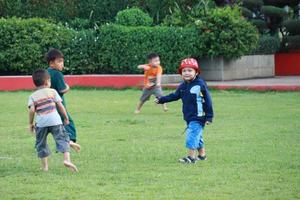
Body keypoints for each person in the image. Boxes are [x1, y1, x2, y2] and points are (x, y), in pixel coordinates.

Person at [155, 58, 214, 164]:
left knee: (192, 135)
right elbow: (175, 96)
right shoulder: (183, 85)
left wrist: (209, 116)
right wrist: (161, 100)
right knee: (198, 136)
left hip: (199, 116)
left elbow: (208, 100)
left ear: (196, 72)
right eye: (184, 71)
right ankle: (202, 155)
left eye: (190, 70)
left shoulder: (200, 84)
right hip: (189, 116)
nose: (186, 73)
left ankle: (191, 158)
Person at [28, 69, 78, 172]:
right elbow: (60, 106)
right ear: (47, 82)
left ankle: (45, 167)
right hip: (55, 121)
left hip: (41, 123)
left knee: (41, 143)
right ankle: (66, 160)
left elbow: (32, 110)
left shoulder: (32, 96)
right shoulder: (53, 92)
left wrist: (30, 123)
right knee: (62, 139)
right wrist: (65, 117)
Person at [46, 48, 80, 152]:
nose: (62, 64)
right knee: (68, 122)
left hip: (48, 105)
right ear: (51, 63)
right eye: (59, 61)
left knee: (54, 126)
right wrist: (68, 87)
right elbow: (62, 89)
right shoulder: (58, 74)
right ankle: (70, 141)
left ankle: (57, 144)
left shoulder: (46, 72)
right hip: (58, 105)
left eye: (62, 61)